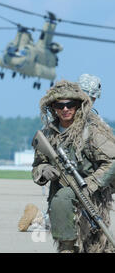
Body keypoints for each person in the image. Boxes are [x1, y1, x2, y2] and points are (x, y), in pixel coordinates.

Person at [31, 80, 115, 253]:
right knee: (66, 245)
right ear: (52, 107)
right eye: (59, 105)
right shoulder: (48, 134)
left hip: (92, 197)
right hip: (62, 198)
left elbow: (112, 162)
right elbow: (37, 166)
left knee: (96, 244)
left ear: (79, 106)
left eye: (71, 105)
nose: (65, 109)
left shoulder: (91, 131)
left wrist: (90, 185)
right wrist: (44, 170)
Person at [17, 74, 104, 233]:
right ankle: (38, 218)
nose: (66, 109)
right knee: (64, 223)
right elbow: (41, 159)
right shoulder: (55, 126)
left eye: (92, 98)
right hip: (67, 183)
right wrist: (44, 170)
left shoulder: (95, 125)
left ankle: (39, 217)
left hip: (89, 185)